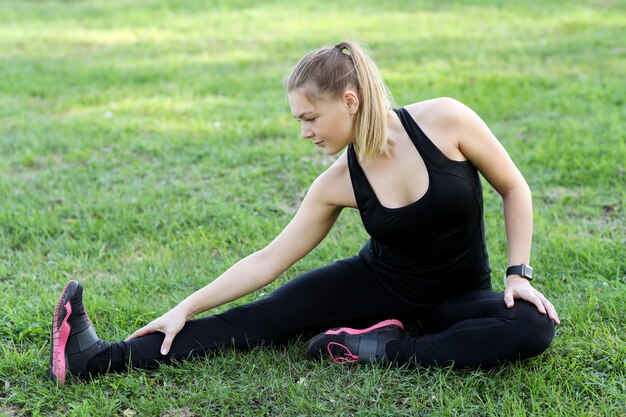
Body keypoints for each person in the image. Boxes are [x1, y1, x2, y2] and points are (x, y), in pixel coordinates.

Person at [49, 40, 560, 385]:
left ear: (351, 100)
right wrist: (186, 307)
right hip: (375, 284)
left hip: (462, 296)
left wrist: (519, 274)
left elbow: (515, 188)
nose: (305, 133)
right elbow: (270, 259)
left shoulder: (447, 120)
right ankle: (94, 359)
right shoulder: (336, 182)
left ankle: (378, 349)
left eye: (311, 117)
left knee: (534, 328)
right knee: (255, 322)